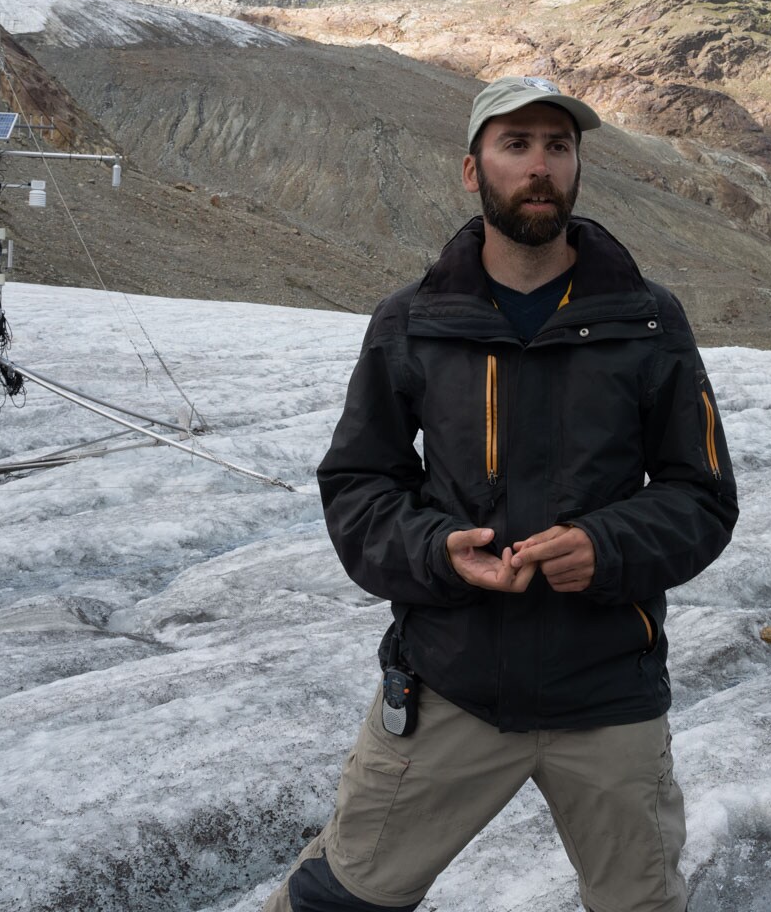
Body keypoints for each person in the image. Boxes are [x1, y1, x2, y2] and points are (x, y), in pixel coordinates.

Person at [266, 76, 738, 912]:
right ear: (471, 168)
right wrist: (436, 554)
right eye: (516, 145)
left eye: (558, 146)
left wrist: (608, 546)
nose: (540, 166)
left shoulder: (648, 320)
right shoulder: (412, 321)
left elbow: (701, 494)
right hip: (449, 681)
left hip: (608, 691)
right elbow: (358, 484)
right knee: (343, 898)